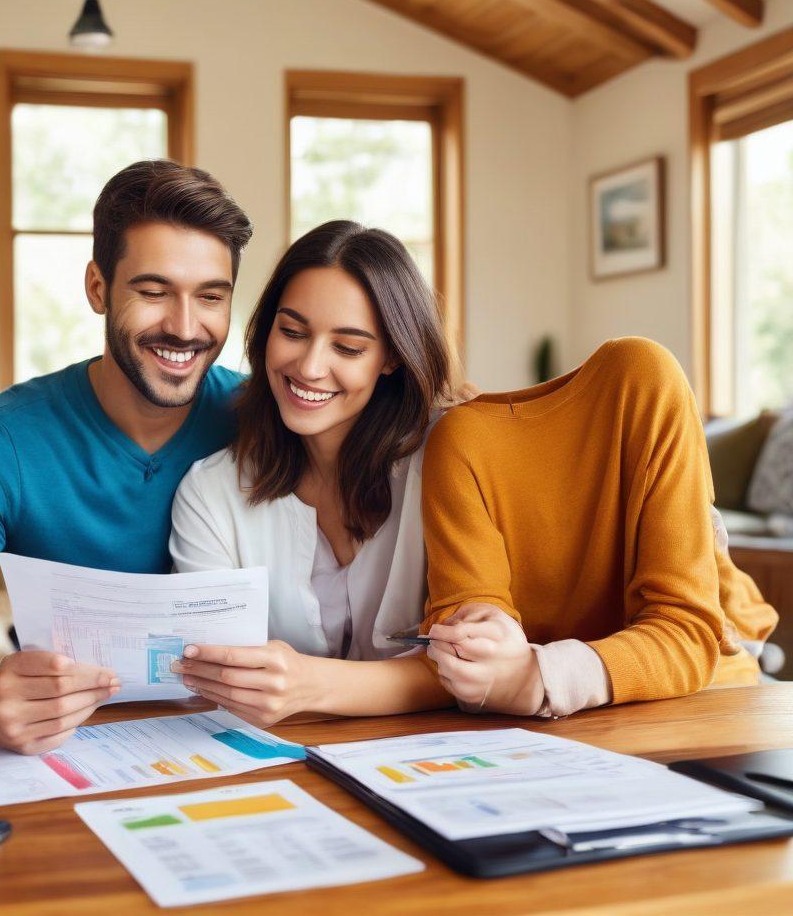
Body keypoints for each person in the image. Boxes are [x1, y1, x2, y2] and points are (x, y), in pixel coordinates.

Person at [0, 160, 253, 754]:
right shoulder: (0, 442)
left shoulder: (263, 423)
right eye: (153, 291)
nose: (185, 326)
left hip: (238, 742)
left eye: (210, 297)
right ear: (97, 288)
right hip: (68, 750)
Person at [168, 220, 459, 726]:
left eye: (347, 347)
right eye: (293, 332)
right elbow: (217, 676)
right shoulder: (210, 491)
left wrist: (309, 684)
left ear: (391, 356)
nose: (309, 366)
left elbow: (479, 666)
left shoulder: (448, 464)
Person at [421, 337, 778, 718]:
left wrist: (540, 675)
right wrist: (495, 656)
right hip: (577, 712)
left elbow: (686, 631)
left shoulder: (643, 377)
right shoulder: (454, 443)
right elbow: (472, 650)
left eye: (353, 349)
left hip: (706, 688)